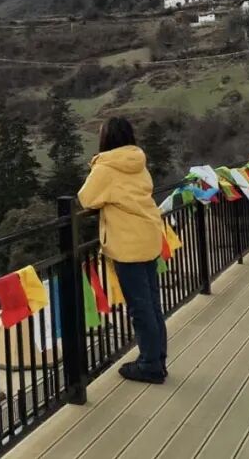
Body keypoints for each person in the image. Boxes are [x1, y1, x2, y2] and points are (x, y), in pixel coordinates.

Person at [77, 117, 167, 383]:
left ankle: (150, 365)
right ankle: (157, 358)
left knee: (140, 308)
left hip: (128, 243)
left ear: (106, 138)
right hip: (149, 235)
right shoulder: (137, 160)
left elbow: (86, 198)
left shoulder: (106, 167)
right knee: (152, 304)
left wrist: (96, 165)